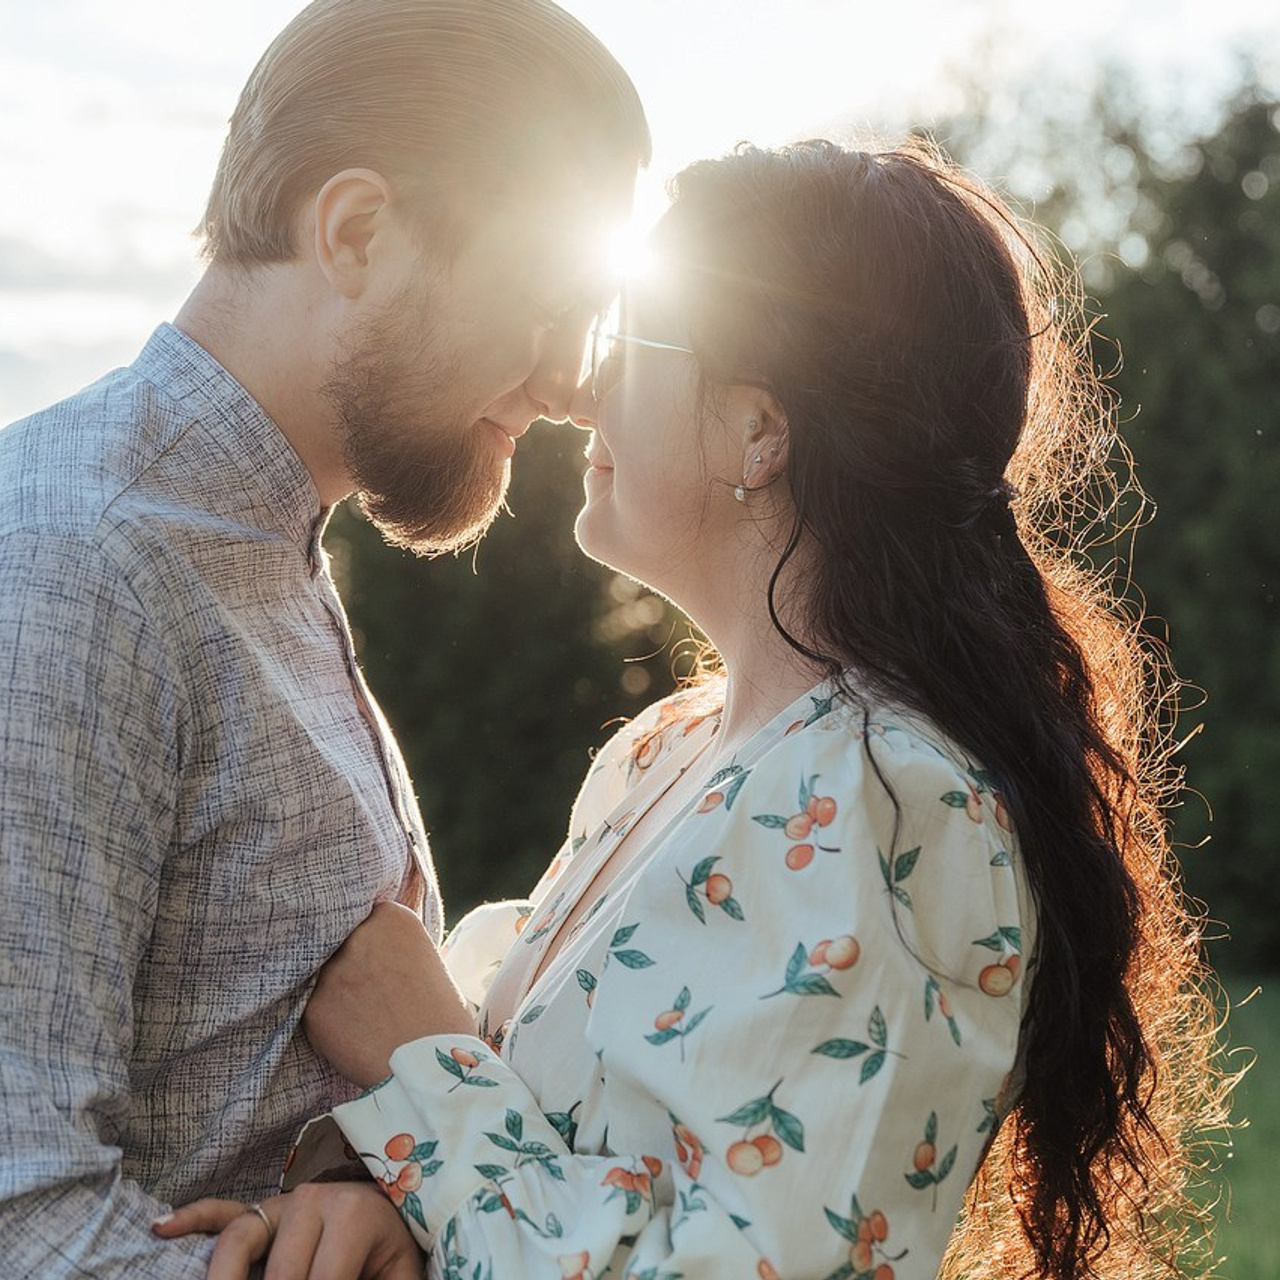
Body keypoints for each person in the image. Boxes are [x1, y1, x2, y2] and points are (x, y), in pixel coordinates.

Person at [162, 140, 1225, 1279]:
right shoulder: (664, 748)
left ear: (759, 429)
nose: (579, 390)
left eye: (634, 334)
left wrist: (423, 1062)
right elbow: (554, 1133)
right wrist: (375, 1183)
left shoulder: (896, 803)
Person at [0, 0, 649, 1273]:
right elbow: (20, 1218)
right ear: (356, 231)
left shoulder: (260, 542)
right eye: (542, 303)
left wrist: (374, 1186)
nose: (568, 383)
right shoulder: (78, 573)